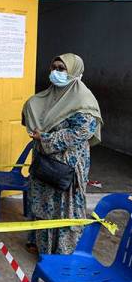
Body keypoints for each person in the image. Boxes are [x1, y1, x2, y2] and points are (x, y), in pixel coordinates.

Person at [23, 53, 102, 255]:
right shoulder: (47, 96)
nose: (56, 72)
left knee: (63, 206)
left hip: (68, 165)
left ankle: (62, 251)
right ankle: (40, 245)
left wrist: (46, 138)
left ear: (74, 72)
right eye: (54, 67)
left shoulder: (84, 101)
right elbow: (32, 114)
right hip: (44, 162)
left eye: (62, 69)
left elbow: (83, 132)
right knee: (41, 201)